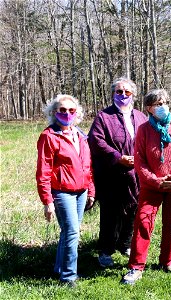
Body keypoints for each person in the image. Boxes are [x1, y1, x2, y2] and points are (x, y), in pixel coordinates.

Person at [121, 89, 171, 285]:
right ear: (149, 108)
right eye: (157, 104)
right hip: (152, 187)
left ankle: (167, 261)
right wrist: (156, 180)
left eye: (165, 103)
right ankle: (136, 266)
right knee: (143, 223)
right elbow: (139, 161)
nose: (162, 107)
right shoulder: (144, 130)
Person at [36, 94, 95, 286]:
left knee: (69, 231)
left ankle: (59, 268)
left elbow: (88, 165)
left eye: (71, 110)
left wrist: (91, 189)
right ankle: (69, 276)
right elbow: (43, 170)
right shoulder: (49, 136)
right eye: (62, 110)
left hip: (81, 191)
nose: (67, 114)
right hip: (62, 191)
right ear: (54, 112)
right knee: (72, 233)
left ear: (77, 113)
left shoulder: (80, 135)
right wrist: (47, 201)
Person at [88, 77, 148, 268]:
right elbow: (96, 141)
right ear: (113, 94)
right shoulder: (104, 117)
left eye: (127, 92)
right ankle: (106, 250)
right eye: (119, 92)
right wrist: (117, 156)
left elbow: (148, 140)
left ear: (133, 95)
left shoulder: (140, 117)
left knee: (133, 210)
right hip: (111, 174)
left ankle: (125, 243)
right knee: (110, 212)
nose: (123, 95)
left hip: (136, 173)